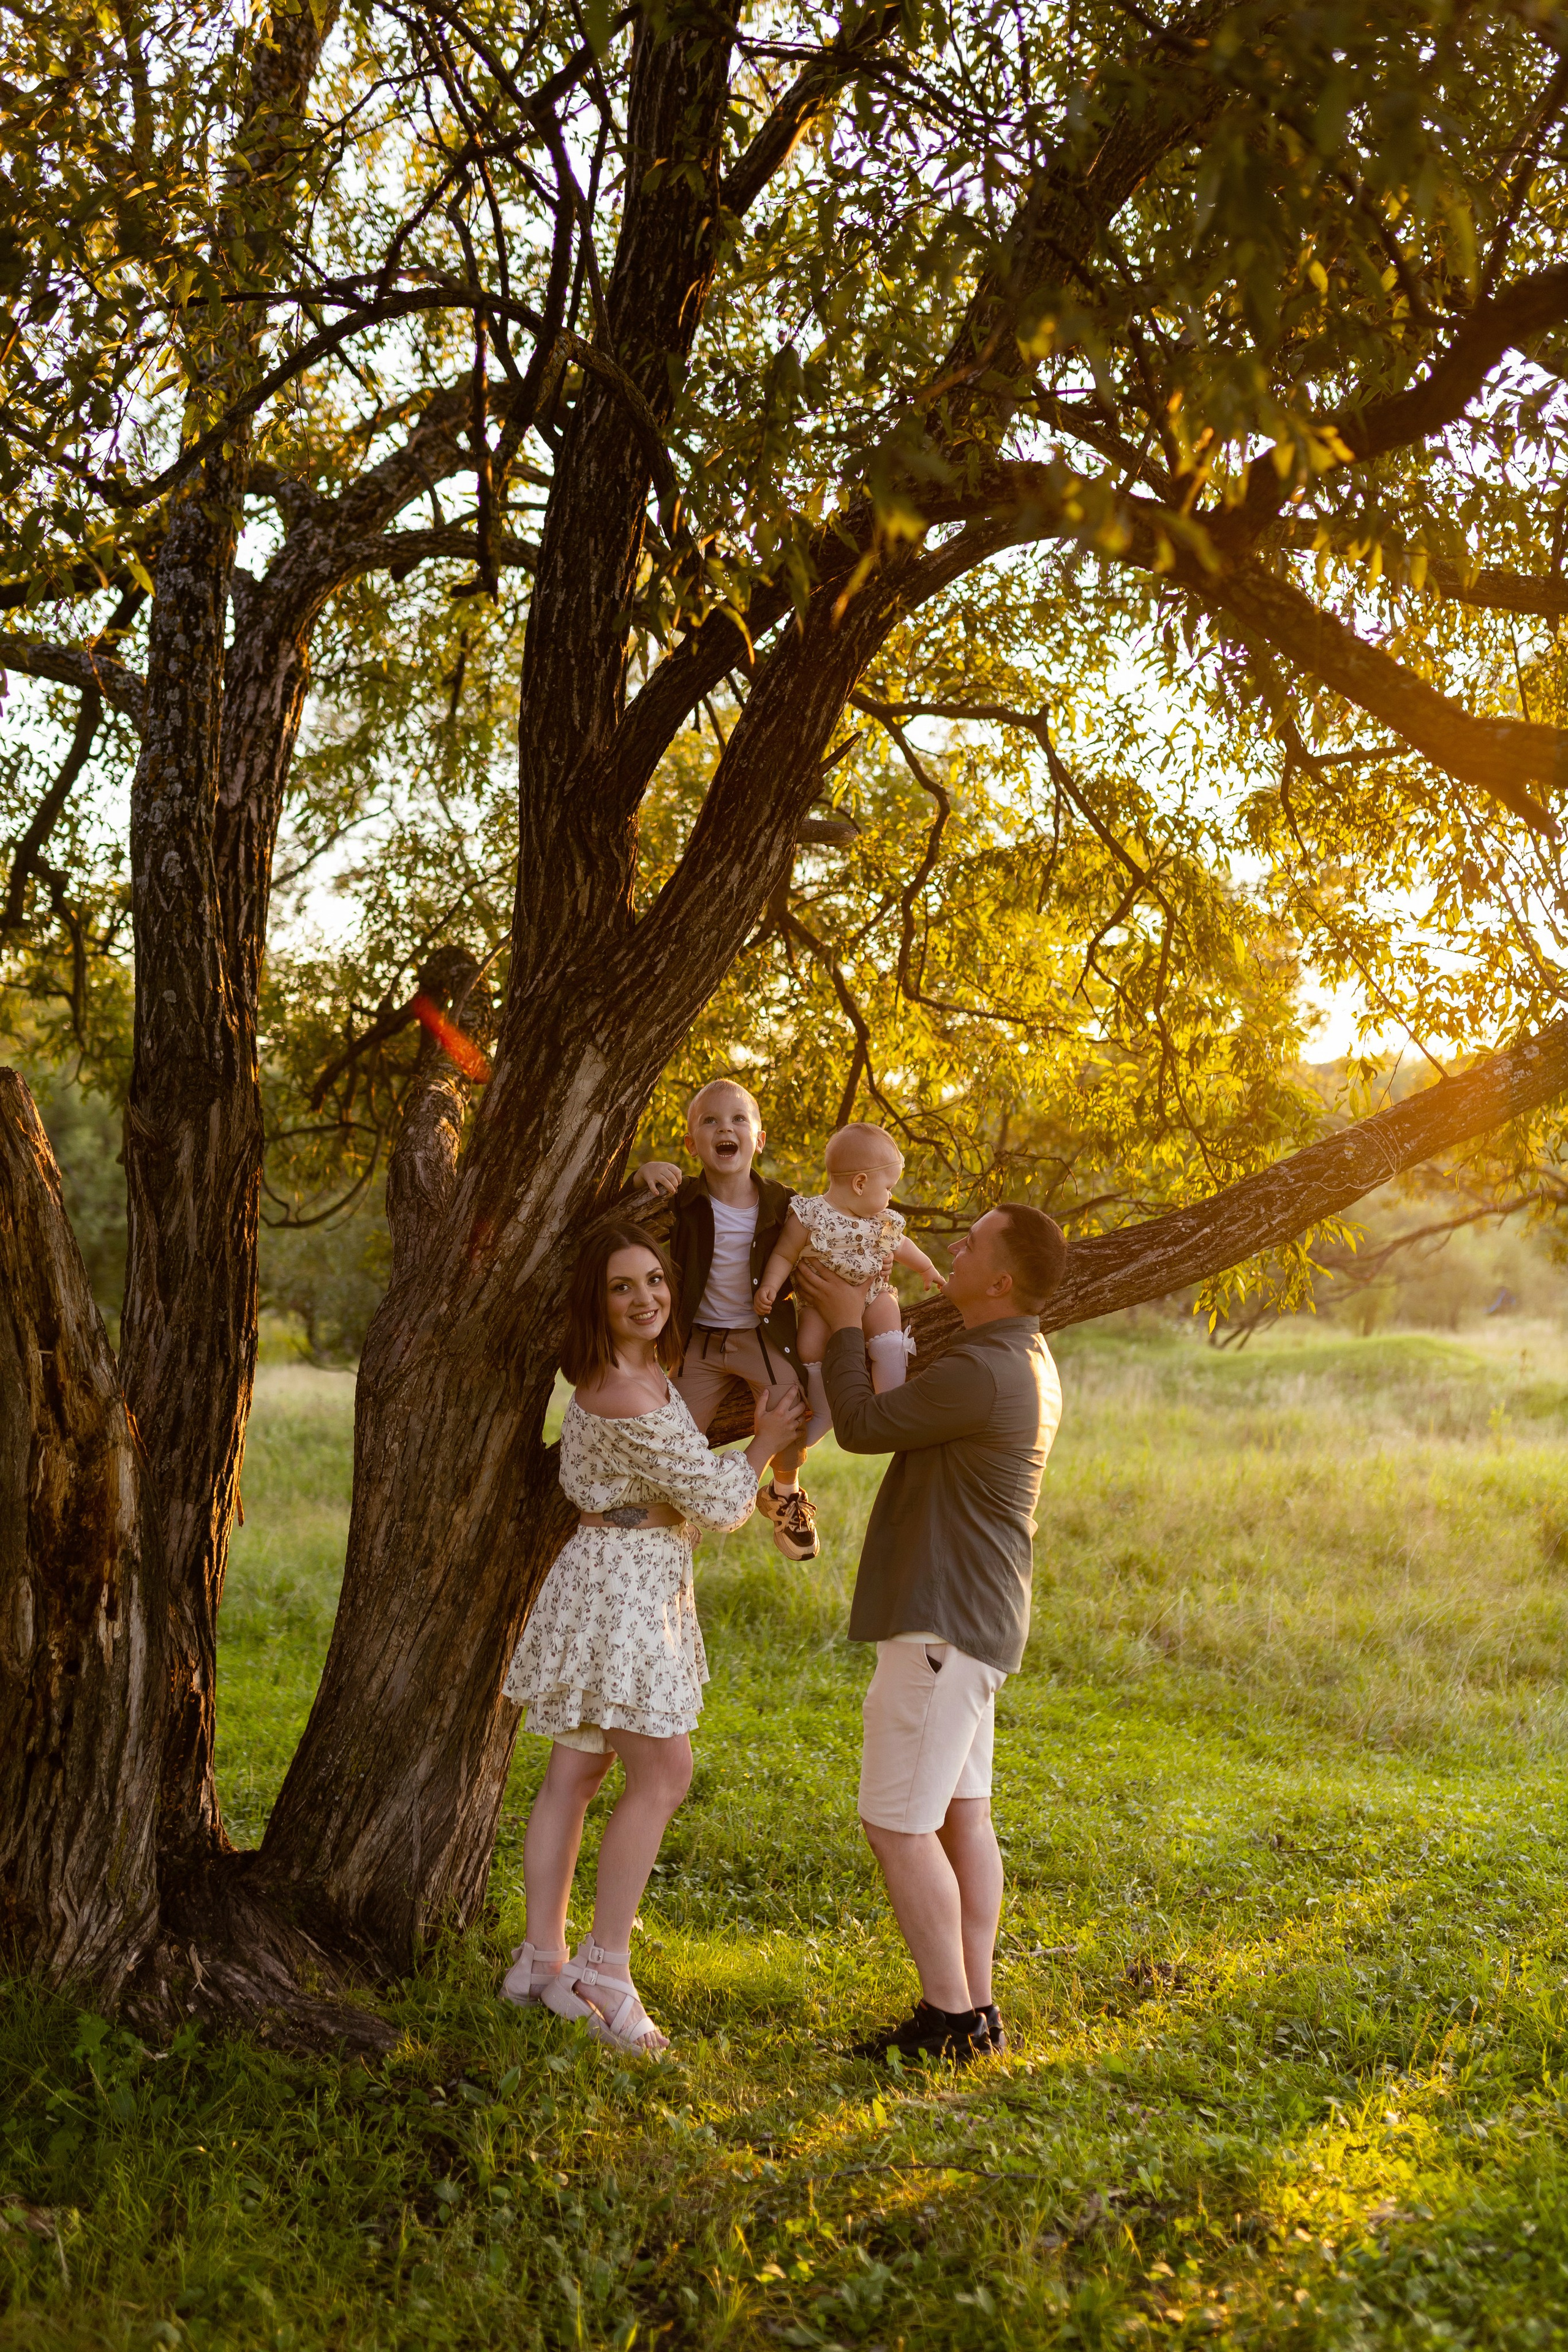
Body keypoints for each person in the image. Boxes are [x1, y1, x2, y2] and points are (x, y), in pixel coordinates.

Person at [500, 1219, 807, 2052]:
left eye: (654, 1281)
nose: (645, 1299)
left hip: (625, 1571)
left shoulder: (643, 1373)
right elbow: (717, 1502)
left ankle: (539, 1960)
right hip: (625, 1584)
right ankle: (602, 1967)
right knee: (665, 1770)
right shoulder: (626, 1390)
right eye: (621, 1287)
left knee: (579, 1767)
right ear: (594, 1302)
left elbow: (694, 1486)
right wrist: (767, 1446)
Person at [794, 1203, 1067, 2066]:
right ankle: (975, 2008)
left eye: (974, 1241)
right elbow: (905, 1403)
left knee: (898, 1827)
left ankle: (950, 2021)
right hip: (973, 1621)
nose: (956, 1245)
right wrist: (878, 1334)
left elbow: (869, 1427)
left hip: (941, 1623)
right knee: (962, 1820)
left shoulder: (988, 1370)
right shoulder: (1010, 1355)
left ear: (1001, 1279)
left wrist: (843, 1328)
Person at [632, 1078, 820, 1561]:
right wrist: (641, 1175)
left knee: (791, 1408)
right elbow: (623, 1216)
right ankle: (677, 1521)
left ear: (758, 1140)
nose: (725, 1128)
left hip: (760, 1338)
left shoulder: (785, 1205)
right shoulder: (682, 1199)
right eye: (710, 1121)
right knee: (674, 1438)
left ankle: (784, 1494)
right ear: (692, 1144)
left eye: (739, 1119)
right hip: (699, 1344)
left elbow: (825, 1243)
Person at [752, 1121, 945, 1443]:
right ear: (860, 1183)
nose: (890, 1196)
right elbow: (785, 1255)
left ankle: (890, 1400)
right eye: (888, 1188)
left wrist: (926, 1268)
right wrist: (771, 1285)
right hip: (818, 1304)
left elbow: (902, 1246)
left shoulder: (881, 1221)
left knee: (887, 1329)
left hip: (873, 1292)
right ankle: (826, 1413)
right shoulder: (809, 1215)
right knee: (809, 1347)